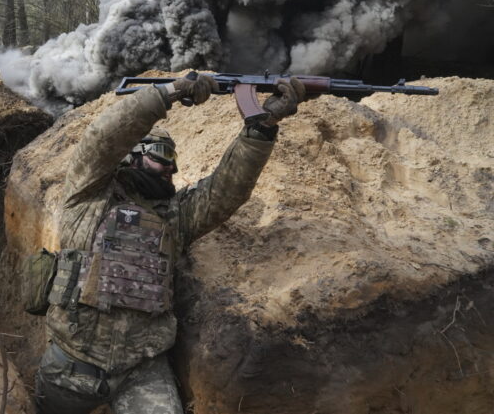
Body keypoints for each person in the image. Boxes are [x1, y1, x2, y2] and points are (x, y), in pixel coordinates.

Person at [34, 72, 306, 414]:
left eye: (173, 161)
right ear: (132, 154)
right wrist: (168, 94)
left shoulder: (175, 216)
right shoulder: (87, 195)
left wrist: (263, 126)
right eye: (162, 155)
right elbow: (103, 138)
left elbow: (226, 190)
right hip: (70, 363)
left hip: (143, 370)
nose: (170, 168)